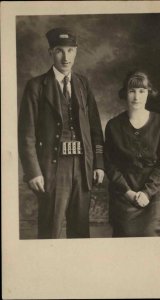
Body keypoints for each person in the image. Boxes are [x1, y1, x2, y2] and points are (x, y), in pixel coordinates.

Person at [18, 27, 104, 239]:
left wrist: (99, 163)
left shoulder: (83, 84)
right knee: (51, 231)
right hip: (52, 168)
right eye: (59, 50)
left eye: (70, 51)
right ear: (50, 52)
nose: (66, 57)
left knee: (80, 232)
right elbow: (26, 134)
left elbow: (95, 128)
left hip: (82, 166)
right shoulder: (36, 86)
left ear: (76, 51)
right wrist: (33, 171)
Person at [104, 70, 160, 237]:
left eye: (142, 91)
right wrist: (128, 192)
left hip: (155, 190)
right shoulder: (113, 126)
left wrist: (147, 192)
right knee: (127, 231)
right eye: (132, 91)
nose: (137, 97)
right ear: (125, 94)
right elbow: (110, 165)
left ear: (148, 92)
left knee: (150, 229)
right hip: (125, 191)